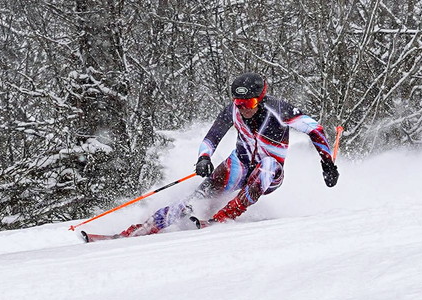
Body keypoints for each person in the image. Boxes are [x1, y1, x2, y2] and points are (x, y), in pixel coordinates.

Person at [118, 72, 339, 237]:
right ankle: (146, 226)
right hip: (240, 165)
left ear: (260, 99)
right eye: (239, 103)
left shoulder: (279, 110)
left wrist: (327, 163)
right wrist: (204, 157)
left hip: (270, 174)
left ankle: (225, 216)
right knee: (199, 196)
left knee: (268, 165)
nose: (244, 109)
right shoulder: (232, 111)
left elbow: (314, 129)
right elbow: (211, 137)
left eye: (249, 103)